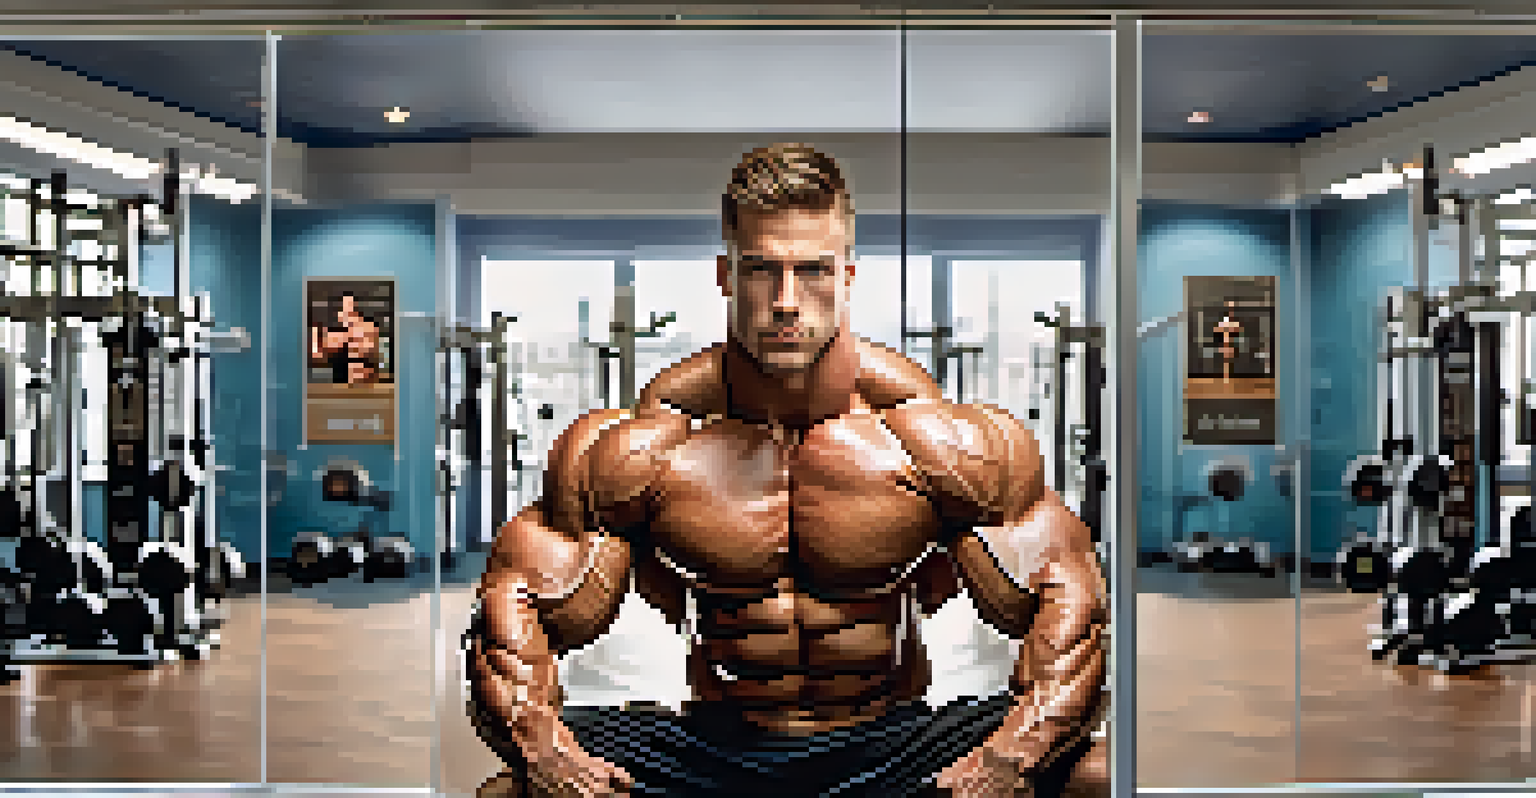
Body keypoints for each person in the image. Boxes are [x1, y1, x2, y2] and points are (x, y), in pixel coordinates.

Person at [465, 143, 1108, 798]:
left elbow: (1073, 600)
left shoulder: (936, 439)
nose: (786, 300)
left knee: (1094, 775)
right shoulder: (648, 445)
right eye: (760, 270)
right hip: (717, 744)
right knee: (507, 793)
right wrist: (542, 745)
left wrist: (1013, 752)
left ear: (849, 277)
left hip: (889, 738)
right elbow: (513, 601)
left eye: (814, 271)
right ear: (724, 274)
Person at [309, 291, 382, 385]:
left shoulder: (367, 327)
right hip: (342, 380)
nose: (346, 313)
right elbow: (318, 355)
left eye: (350, 308)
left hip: (362, 379)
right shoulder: (338, 334)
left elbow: (372, 351)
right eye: (343, 310)